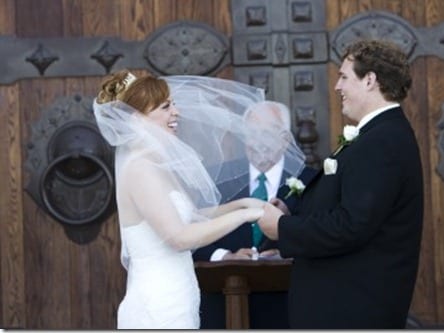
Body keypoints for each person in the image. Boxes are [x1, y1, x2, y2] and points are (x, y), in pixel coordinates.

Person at [93, 71, 306, 329]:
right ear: (139, 118)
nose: (176, 112)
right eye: (166, 106)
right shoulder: (140, 169)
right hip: (158, 301)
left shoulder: (155, 164)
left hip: (179, 294)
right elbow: (179, 237)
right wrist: (245, 215)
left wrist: (244, 203)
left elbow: (193, 216)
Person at [257, 39, 424, 329]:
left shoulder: (382, 141)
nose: (337, 87)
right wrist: (290, 208)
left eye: (345, 77)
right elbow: (348, 204)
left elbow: (352, 225)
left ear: (370, 80)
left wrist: (282, 228)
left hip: (352, 308)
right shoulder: (376, 134)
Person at [192, 101, 316, 329]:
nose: (258, 142)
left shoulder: (311, 180)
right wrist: (224, 256)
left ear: (285, 139)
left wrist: (285, 250)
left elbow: (320, 236)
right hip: (225, 308)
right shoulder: (218, 179)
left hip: (287, 308)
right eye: (251, 134)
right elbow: (190, 233)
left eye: (266, 134)